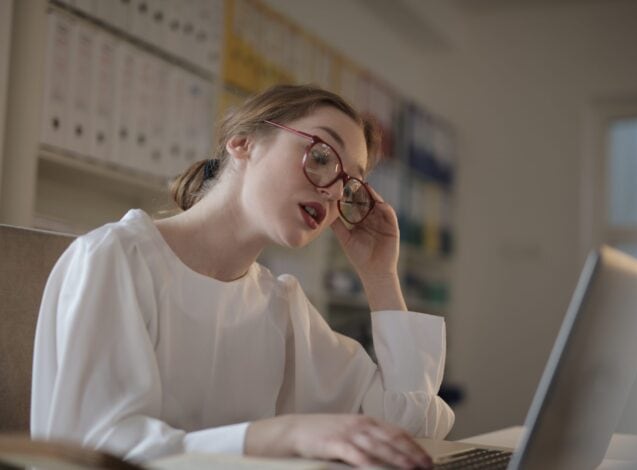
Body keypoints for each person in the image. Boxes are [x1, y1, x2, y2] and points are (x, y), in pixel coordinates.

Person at [31, 84, 454, 469]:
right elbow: (93, 450)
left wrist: (380, 276)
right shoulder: (116, 259)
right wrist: (280, 434)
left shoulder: (280, 304)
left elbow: (409, 425)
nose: (331, 190)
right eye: (322, 156)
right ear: (242, 143)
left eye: (349, 184)